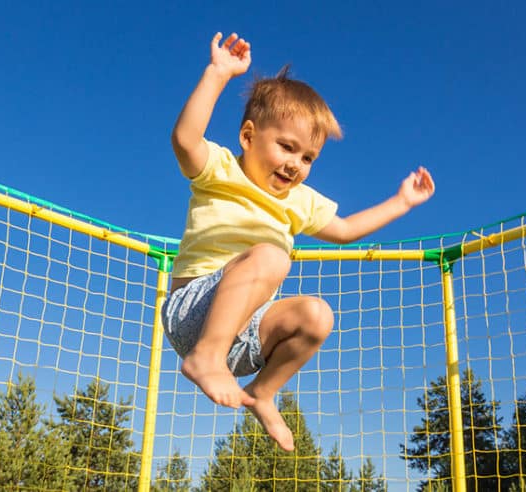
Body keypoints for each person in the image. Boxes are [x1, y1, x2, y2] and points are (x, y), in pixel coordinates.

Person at [162, 32, 435, 452]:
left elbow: (345, 230)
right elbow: (184, 139)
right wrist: (219, 74)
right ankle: (205, 358)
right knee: (273, 257)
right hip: (193, 312)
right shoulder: (220, 169)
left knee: (317, 315)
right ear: (248, 137)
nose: (296, 164)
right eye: (287, 147)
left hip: (248, 333)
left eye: (308, 158)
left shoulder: (299, 201)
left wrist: (401, 202)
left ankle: (263, 392)